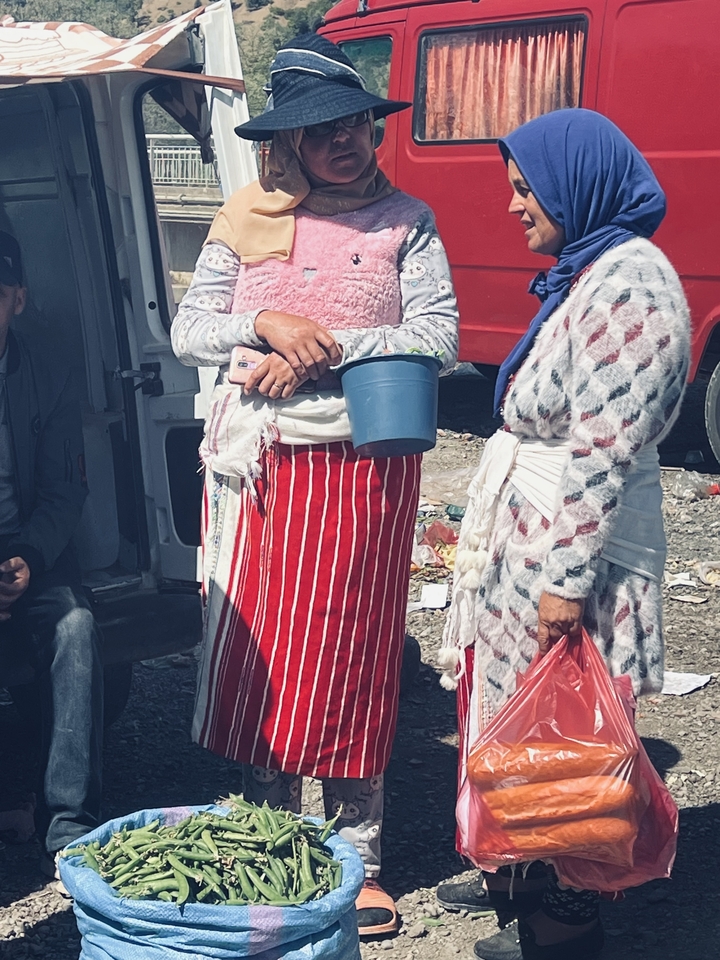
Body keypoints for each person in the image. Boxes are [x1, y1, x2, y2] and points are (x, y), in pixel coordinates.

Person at [171, 33, 458, 934]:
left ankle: (358, 857)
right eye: (320, 130)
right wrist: (264, 320)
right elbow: (188, 328)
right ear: (285, 145)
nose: (343, 141)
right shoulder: (241, 218)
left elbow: (441, 335)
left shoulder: (407, 220)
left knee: (351, 658)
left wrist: (319, 355)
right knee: (263, 658)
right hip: (260, 471)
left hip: (363, 471)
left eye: (356, 125)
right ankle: (269, 838)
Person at [436, 109, 690, 960]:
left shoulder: (634, 284)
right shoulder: (589, 273)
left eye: (523, 188)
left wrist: (563, 584)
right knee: (515, 717)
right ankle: (513, 867)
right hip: (534, 540)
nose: (513, 207)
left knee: (569, 738)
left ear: (576, 183)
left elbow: (602, 451)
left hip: (579, 555)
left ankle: (564, 921)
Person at [0, 231, 104, 877]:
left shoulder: (49, 368)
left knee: (76, 627)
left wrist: (28, 559)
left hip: (25, 555)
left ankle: (70, 827)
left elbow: (68, 487)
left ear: (16, 299)